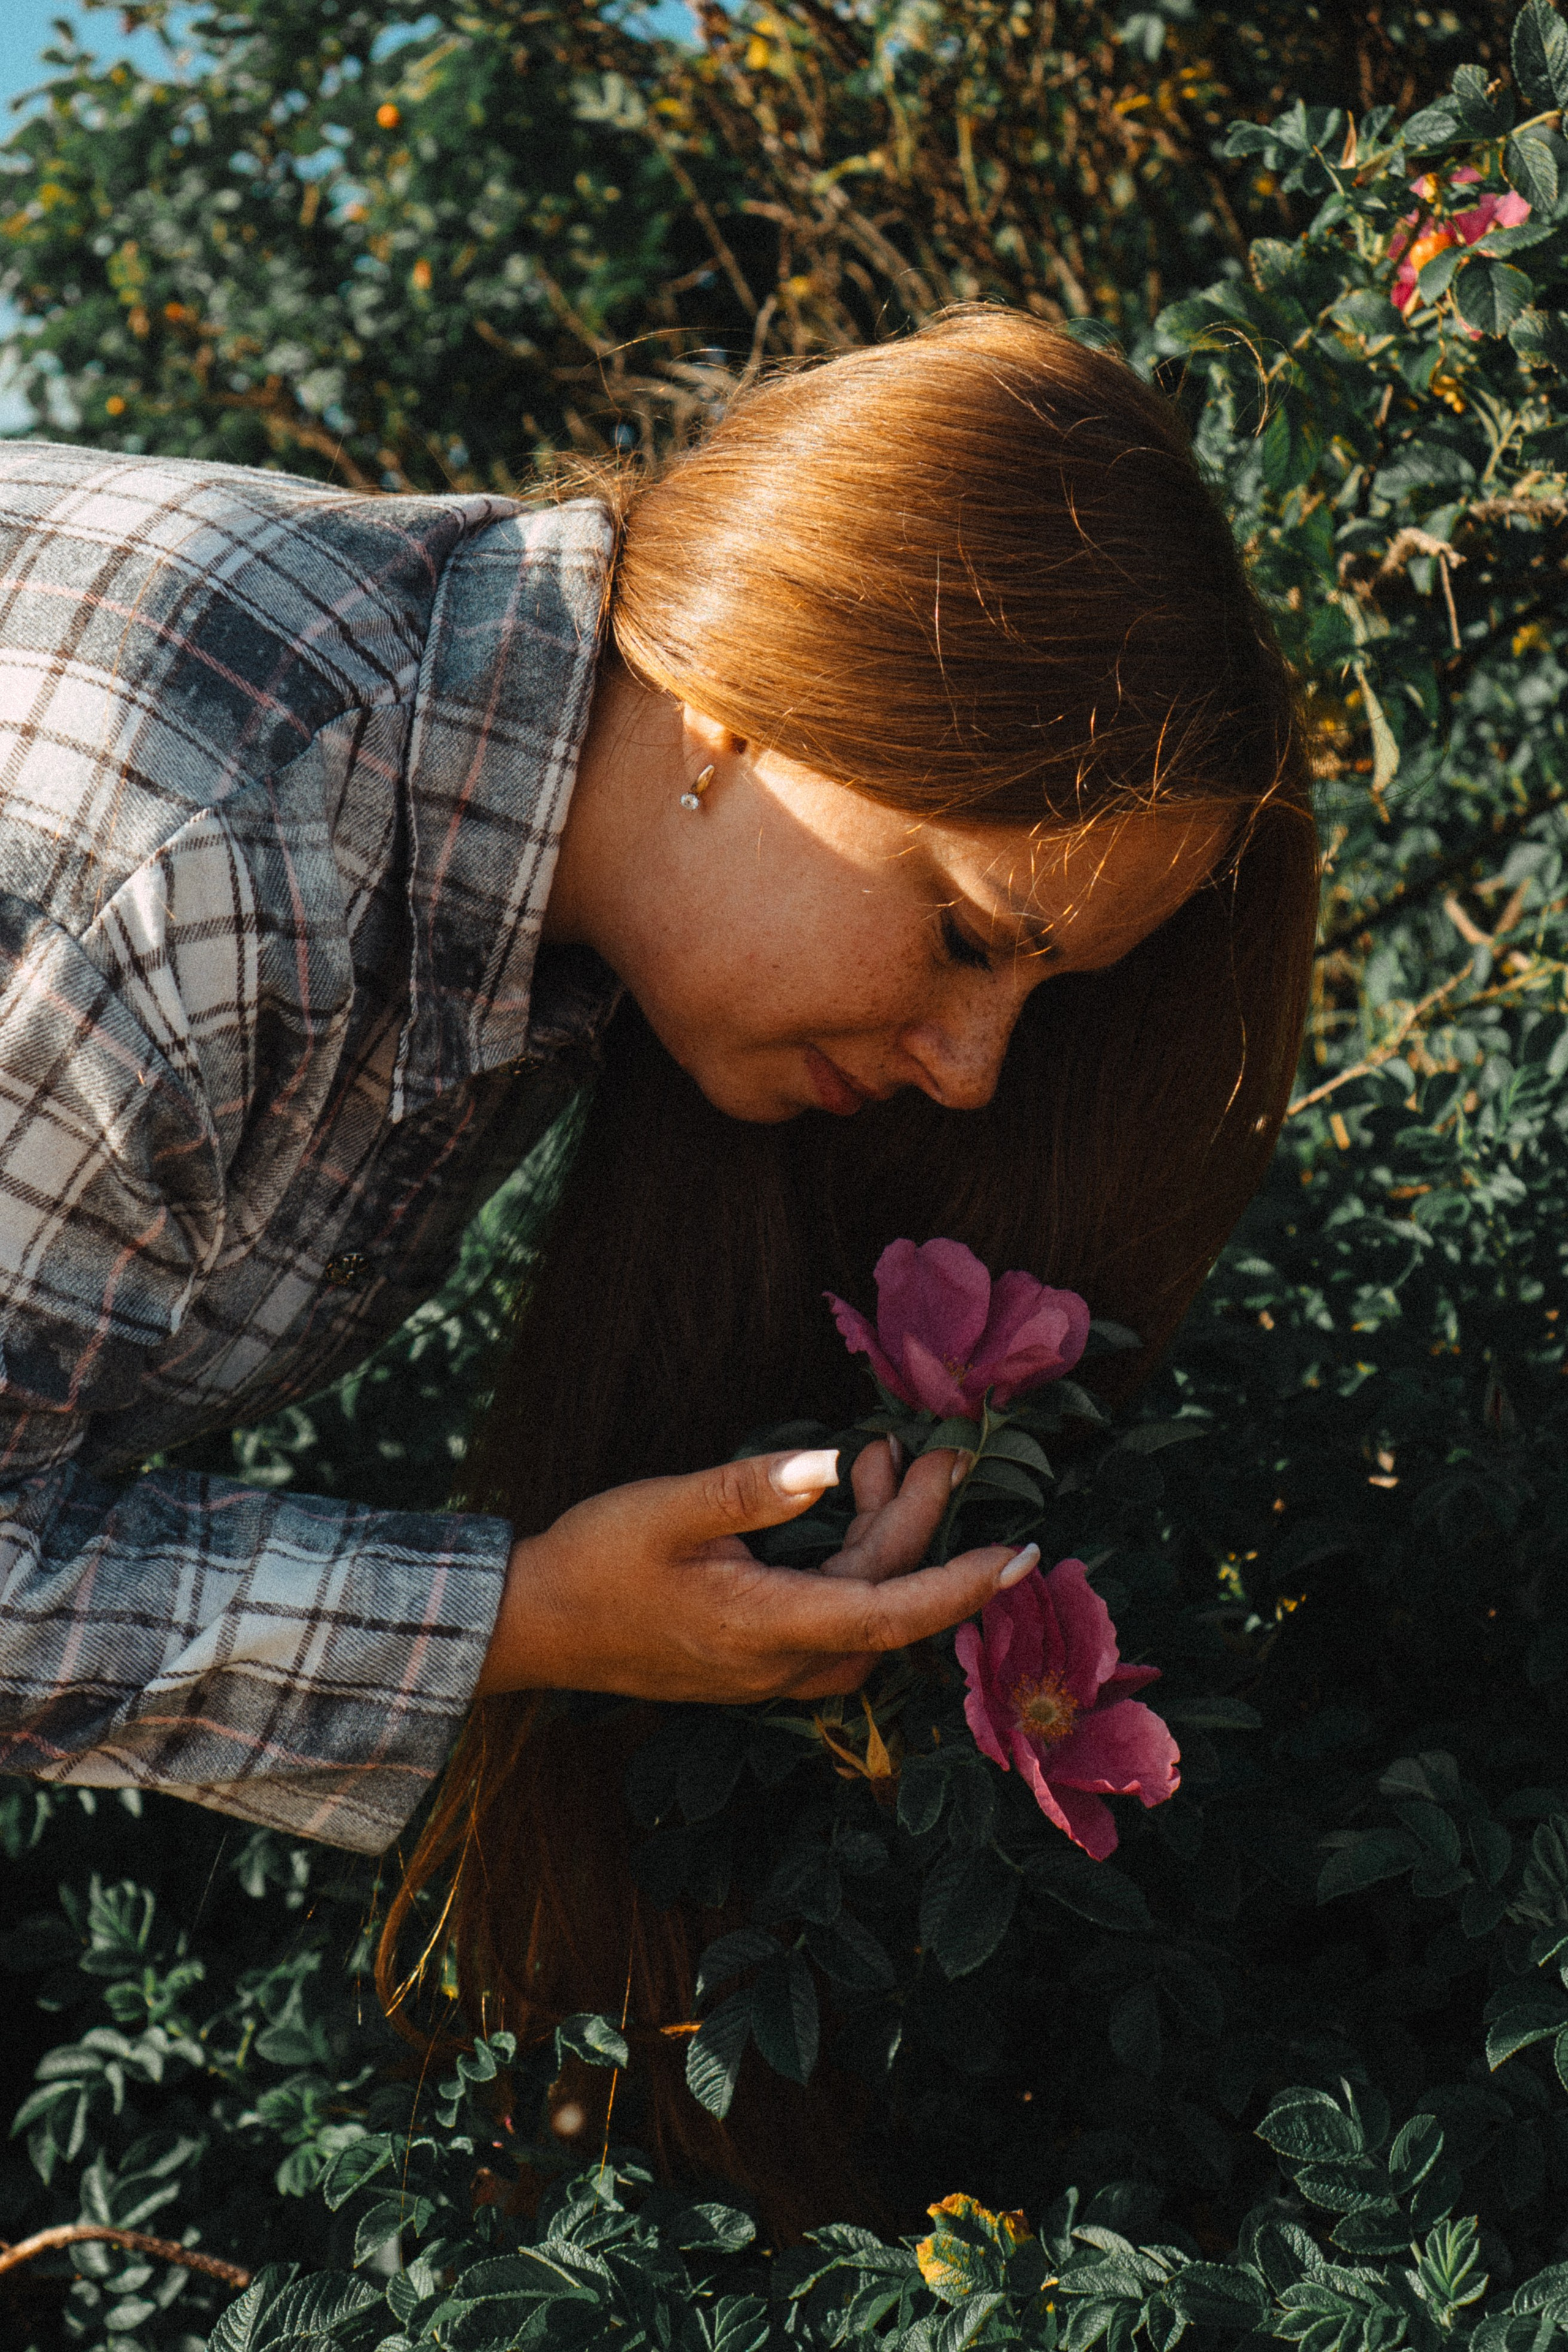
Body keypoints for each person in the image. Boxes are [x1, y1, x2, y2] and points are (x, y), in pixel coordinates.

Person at [0, 306, 1316, 2209]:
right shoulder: (222, 861)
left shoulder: (510, 865)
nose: (968, 1068)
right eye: (965, 934)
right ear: (740, 701)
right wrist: (525, 1618)